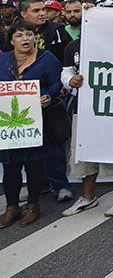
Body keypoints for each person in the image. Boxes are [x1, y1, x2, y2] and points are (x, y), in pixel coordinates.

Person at [58, 37, 113, 217]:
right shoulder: (73, 46)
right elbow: (66, 71)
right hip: (83, 107)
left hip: (111, 104)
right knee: (82, 152)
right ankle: (88, 197)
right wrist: (70, 81)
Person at [0, 19, 63, 228]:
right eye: (19, 35)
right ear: (11, 40)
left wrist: (47, 96)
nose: (25, 39)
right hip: (8, 126)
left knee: (34, 165)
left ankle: (33, 205)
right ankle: (12, 206)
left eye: (28, 34)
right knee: (10, 167)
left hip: (36, 123)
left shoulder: (47, 59)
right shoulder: (2, 60)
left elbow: (56, 85)